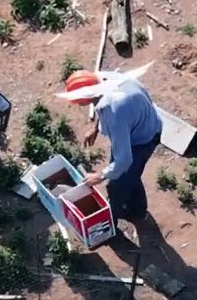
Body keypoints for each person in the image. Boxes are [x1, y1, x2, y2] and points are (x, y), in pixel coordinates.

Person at [57, 69, 163, 222]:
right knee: (130, 175)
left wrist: (99, 176)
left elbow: (124, 161)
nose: (77, 104)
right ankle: (138, 210)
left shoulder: (115, 111)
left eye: (77, 100)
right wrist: (95, 128)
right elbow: (102, 105)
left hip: (143, 140)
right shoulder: (102, 79)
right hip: (143, 123)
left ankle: (114, 218)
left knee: (117, 184)